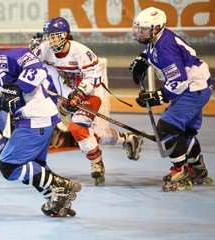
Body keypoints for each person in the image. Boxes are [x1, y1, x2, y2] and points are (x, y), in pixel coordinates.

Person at [0, 24, 81, 217]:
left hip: (36, 116)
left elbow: (38, 68)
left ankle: (58, 184)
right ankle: (57, 200)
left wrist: (18, 87)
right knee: (34, 168)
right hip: (28, 120)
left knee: (8, 166)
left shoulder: (9, 56)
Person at [34, 17, 144, 186]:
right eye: (50, 36)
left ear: (66, 35)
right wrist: (29, 51)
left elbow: (91, 77)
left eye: (57, 35)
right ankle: (127, 139)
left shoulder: (81, 52)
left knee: (78, 127)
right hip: (67, 96)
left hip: (90, 93)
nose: (53, 40)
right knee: (94, 136)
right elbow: (28, 64)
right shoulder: (44, 49)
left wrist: (78, 95)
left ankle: (97, 162)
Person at [130, 7, 213, 191]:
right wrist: (143, 59)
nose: (140, 33)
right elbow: (152, 51)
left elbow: (179, 80)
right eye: (139, 28)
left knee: (166, 129)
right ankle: (197, 168)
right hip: (197, 86)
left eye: (144, 29)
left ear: (157, 28)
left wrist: (158, 96)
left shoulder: (165, 47)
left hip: (192, 89)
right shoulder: (158, 37)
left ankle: (180, 171)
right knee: (184, 132)